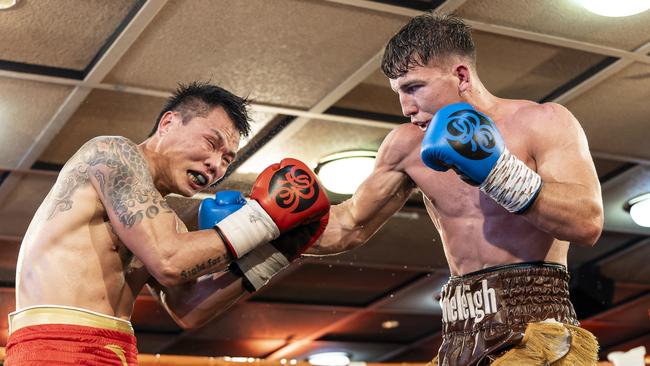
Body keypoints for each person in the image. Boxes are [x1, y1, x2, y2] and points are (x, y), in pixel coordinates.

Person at [306, 13, 604, 366]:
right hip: (458, 333)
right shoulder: (405, 145)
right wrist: (262, 228)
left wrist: (496, 171)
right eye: (398, 91)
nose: (406, 107)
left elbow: (587, 221)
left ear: (461, 75)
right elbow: (349, 225)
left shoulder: (543, 121)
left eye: (413, 87)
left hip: (539, 327)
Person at [6, 82, 329, 365]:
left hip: (116, 350)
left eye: (227, 160)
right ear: (169, 123)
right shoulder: (112, 153)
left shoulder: (165, 224)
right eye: (211, 143)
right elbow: (169, 260)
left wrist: (274, 254)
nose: (216, 166)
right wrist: (266, 218)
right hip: (55, 348)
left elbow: (188, 309)